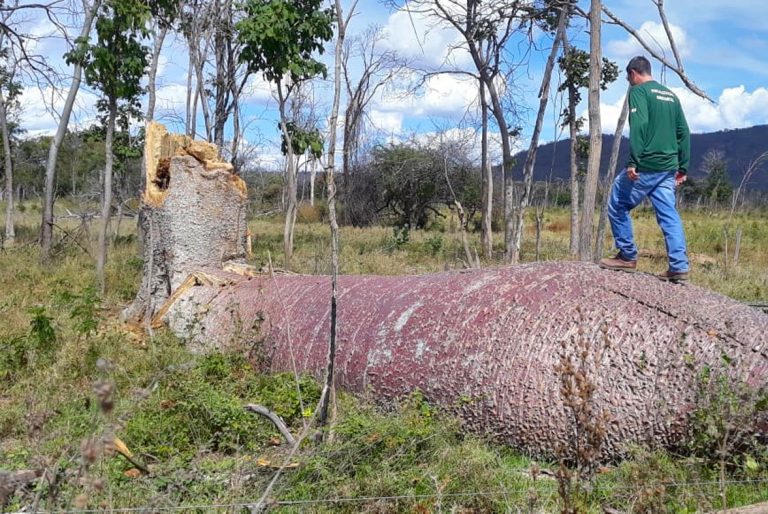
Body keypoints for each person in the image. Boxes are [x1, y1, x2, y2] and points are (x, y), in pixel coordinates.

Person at [599, 55, 691, 282]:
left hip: (647, 164)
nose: (629, 82)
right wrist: (683, 166)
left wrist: (633, 161)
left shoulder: (638, 92)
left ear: (633, 74)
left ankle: (627, 256)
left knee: (617, 204)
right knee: (669, 215)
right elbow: (684, 132)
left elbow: (639, 125)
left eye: (628, 78)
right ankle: (679, 266)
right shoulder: (671, 95)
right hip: (668, 167)